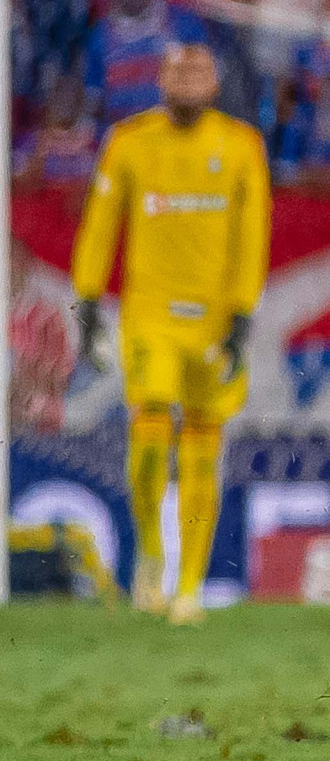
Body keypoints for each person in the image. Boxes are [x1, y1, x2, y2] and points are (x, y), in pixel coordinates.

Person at [69, 44, 270, 625]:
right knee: (153, 430)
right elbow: (100, 223)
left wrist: (241, 315)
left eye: (198, 72)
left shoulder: (240, 147)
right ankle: (151, 552)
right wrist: (86, 300)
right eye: (177, 72)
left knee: (204, 449)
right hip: (150, 314)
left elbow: (252, 235)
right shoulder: (130, 142)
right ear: (160, 80)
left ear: (213, 84)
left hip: (212, 320)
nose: (186, 81)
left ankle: (189, 587)